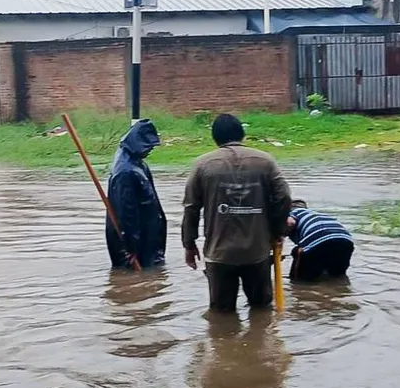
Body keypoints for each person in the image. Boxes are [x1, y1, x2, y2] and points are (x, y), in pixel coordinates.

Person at [182, 114, 291, 312]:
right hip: (257, 251)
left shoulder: (202, 165)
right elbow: (284, 197)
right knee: (262, 311)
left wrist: (189, 244)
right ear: (242, 134)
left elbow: (191, 207)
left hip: (219, 253)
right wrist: (277, 231)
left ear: (215, 138)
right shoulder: (265, 162)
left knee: (222, 315)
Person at [105, 119, 167, 269]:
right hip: (135, 243)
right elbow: (126, 212)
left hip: (146, 237)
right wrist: (131, 246)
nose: (151, 149)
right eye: (149, 145)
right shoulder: (125, 171)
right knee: (135, 280)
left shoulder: (137, 163)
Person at [285, 199, 354, 282]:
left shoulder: (292, 212)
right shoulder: (315, 214)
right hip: (346, 240)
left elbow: (290, 222)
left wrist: (279, 235)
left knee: (301, 281)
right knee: (337, 277)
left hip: (319, 239)